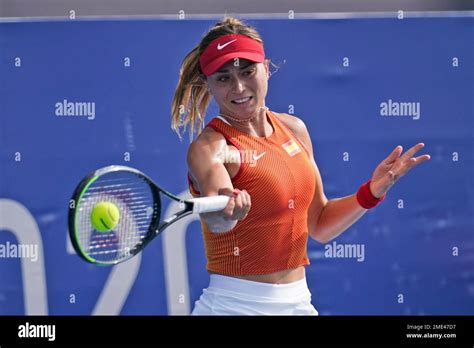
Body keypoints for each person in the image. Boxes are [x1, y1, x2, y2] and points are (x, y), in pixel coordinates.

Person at [170, 16, 431, 315]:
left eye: (248, 71)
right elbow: (217, 217)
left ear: (266, 68)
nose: (239, 87)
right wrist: (229, 213)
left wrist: (371, 192)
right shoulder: (210, 148)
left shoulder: (294, 130)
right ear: (208, 84)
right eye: (223, 78)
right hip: (234, 307)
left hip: (299, 305)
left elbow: (318, 223)